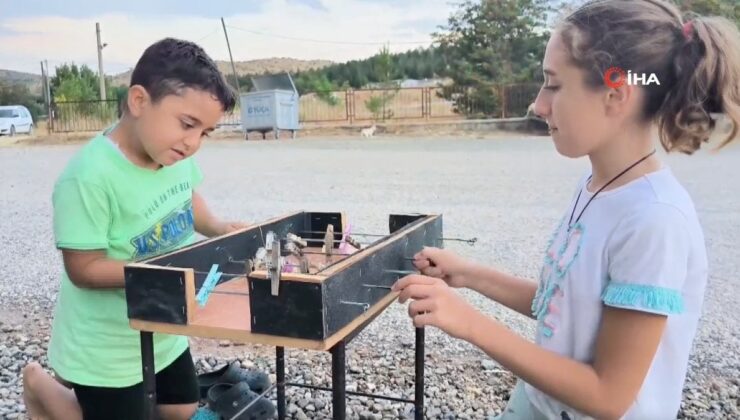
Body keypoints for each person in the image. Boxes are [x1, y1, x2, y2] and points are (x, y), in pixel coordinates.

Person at [393, 1, 740, 419]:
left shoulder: (654, 220)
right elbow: (565, 303)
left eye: (554, 86)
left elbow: (608, 397)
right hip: (541, 402)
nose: (538, 105)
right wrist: (468, 275)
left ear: (616, 94)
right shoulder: (597, 186)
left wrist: (468, 323)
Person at [23, 37, 259, 420]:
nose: (193, 142)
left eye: (205, 132)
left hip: (164, 322)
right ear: (138, 101)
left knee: (181, 406)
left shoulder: (172, 155)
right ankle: (41, 389)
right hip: (107, 346)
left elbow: (186, 196)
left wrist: (215, 226)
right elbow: (82, 269)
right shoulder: (88, 177)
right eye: (187, 124)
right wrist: (162, 272)